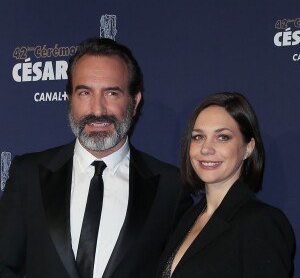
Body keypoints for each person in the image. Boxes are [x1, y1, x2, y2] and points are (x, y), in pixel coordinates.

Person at [0, 37, 191, 278]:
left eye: (112, 93)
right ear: (70, 99)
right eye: (85, 93)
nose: (98, 110)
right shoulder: (27, 174)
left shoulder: (170, 187)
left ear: (134, 103)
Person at [157, 92, 295, 278]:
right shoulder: (189, 217)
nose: (206, 148)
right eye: (198, 137)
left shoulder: (261, 222)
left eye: (222, 137)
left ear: (248, 148)